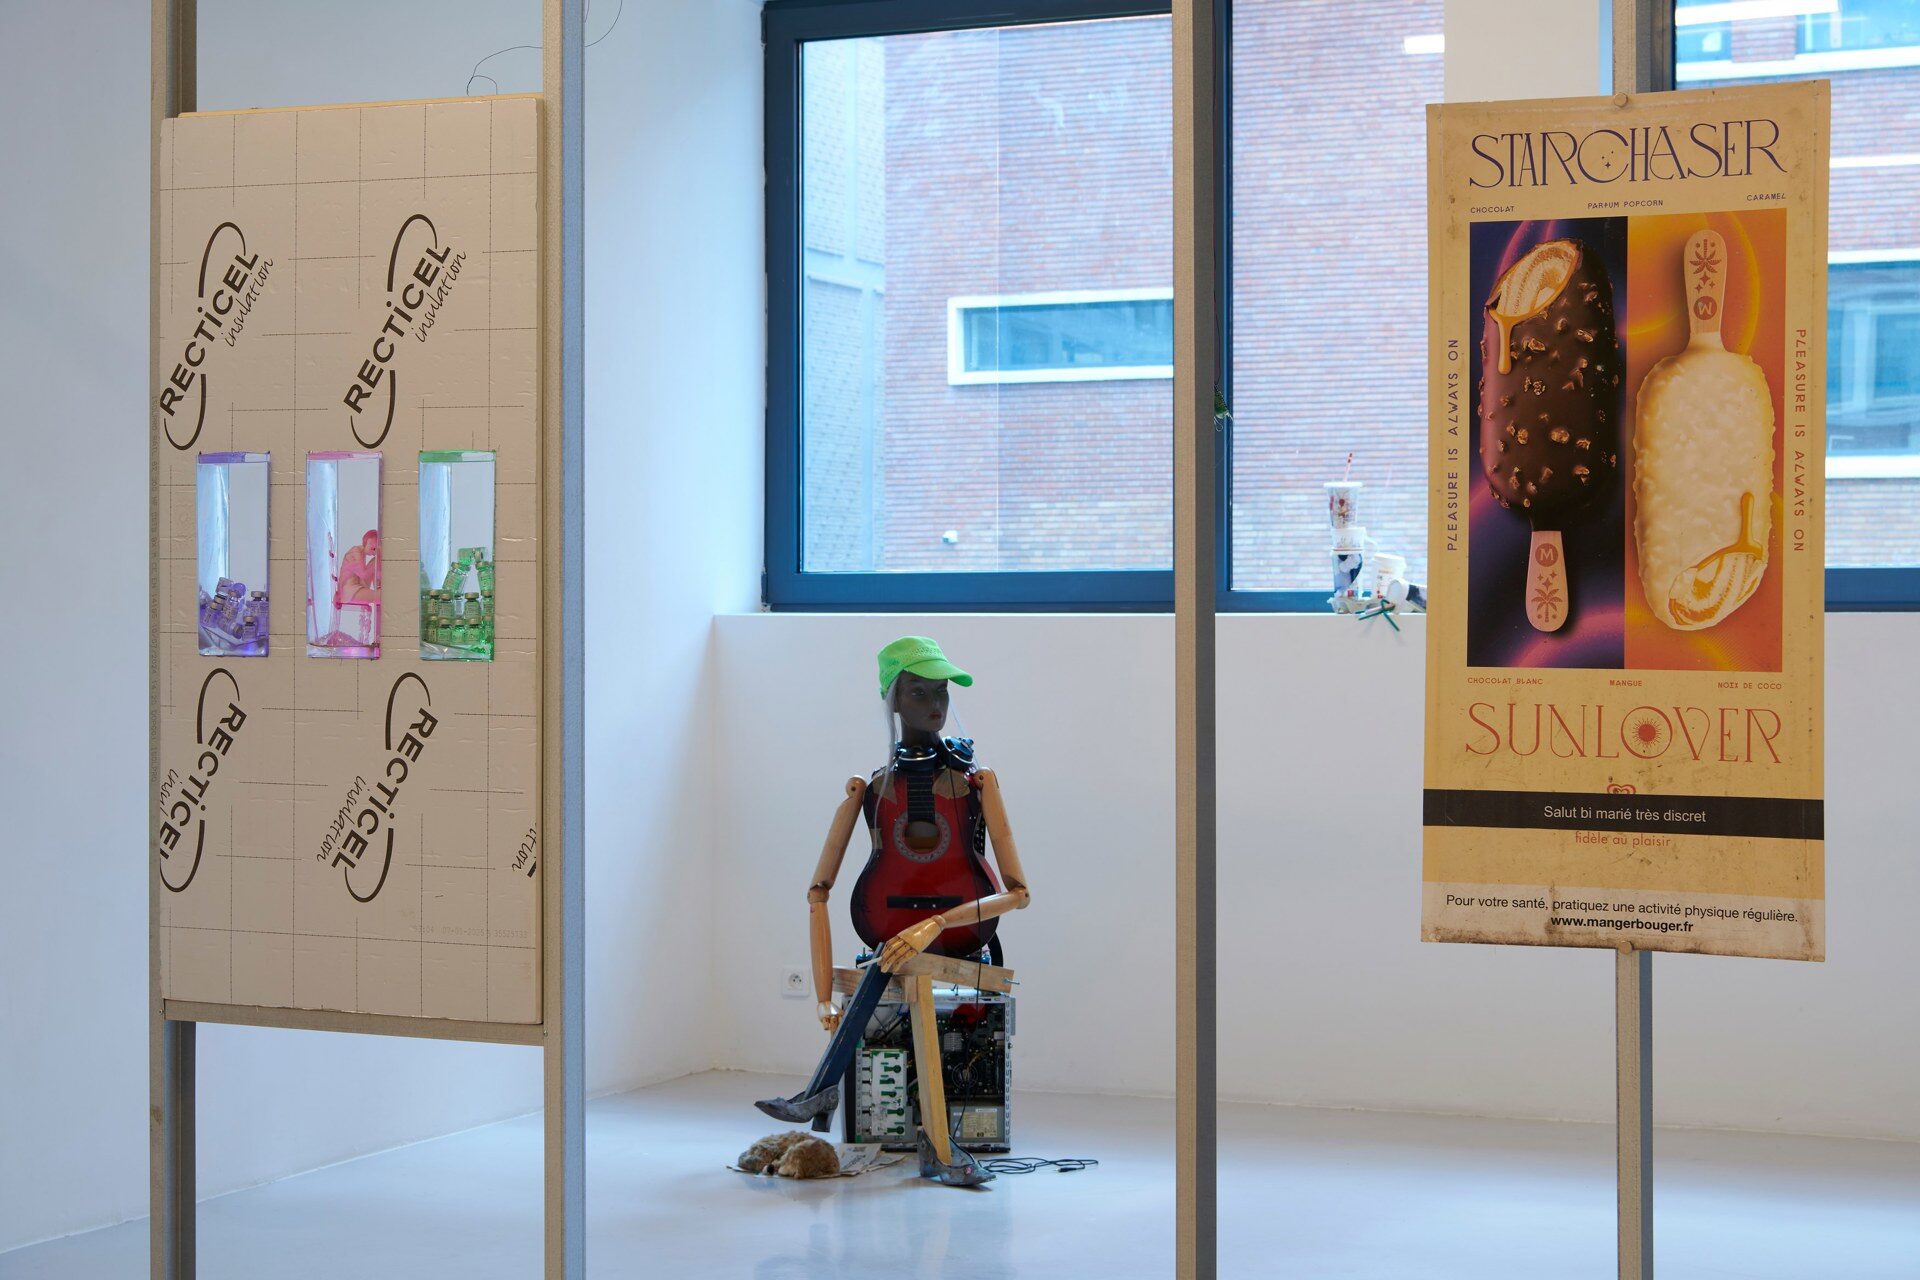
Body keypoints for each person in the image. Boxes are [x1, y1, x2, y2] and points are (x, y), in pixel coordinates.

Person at [755, 637, 1032, 1187]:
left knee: (893, 959)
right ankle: (936, 1150)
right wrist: (821, 997)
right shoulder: (873, 788)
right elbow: (818, 891)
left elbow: (1019, 892)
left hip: (958, 932)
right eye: (918, 692)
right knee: (892, 957)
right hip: (892, 930)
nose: (935, 704)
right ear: (893, 700)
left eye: (941, 692)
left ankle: (824, 1091)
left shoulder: (976, 783)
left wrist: (936, 922)